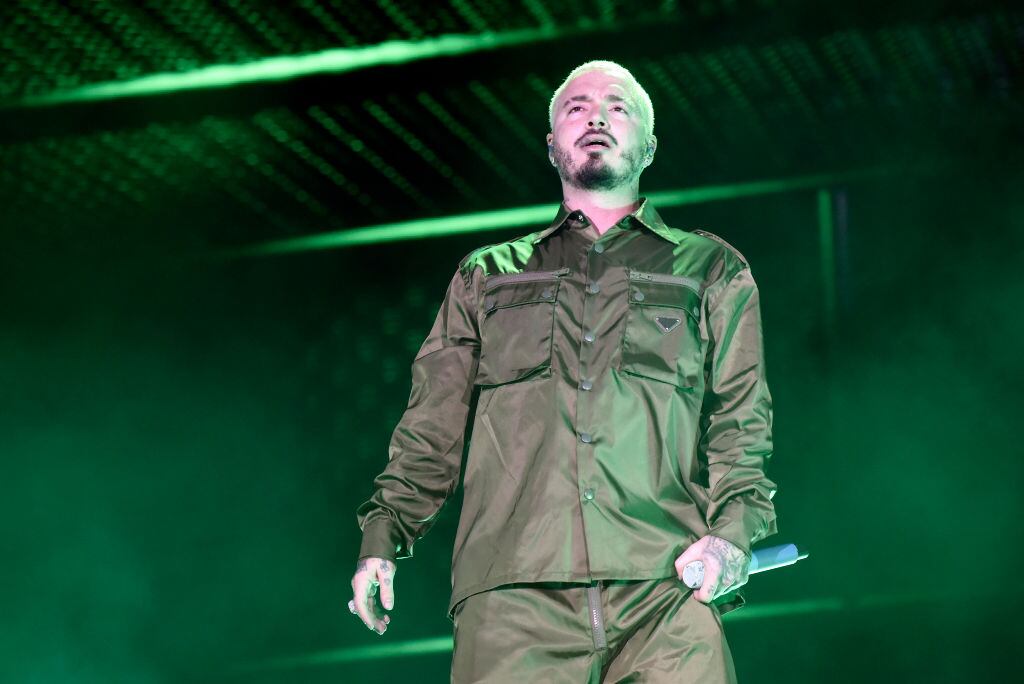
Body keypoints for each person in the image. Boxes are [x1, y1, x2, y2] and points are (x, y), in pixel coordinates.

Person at [348, 60, 778, 682]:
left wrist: (733, 536)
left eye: (618, 107)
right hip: (512, 600)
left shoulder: (711, 269)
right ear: (550, 145)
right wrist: (382, 538)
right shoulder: (487, 275)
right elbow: (431, 427)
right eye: (576, 107)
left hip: (664, 586)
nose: (596, 115)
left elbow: (743, 420)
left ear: (650, 146)